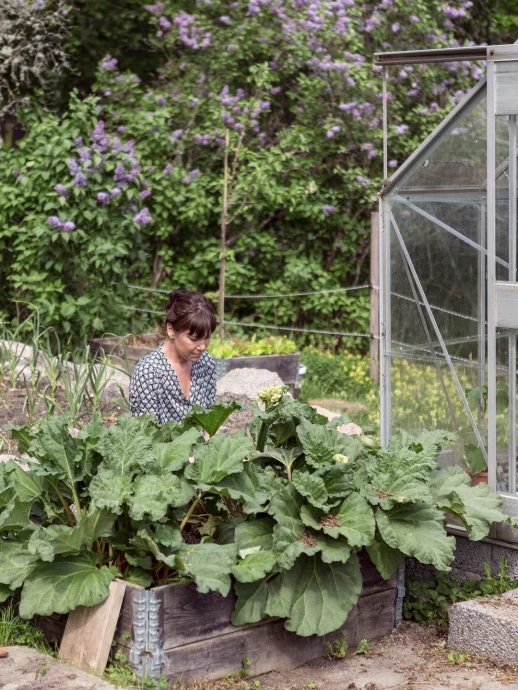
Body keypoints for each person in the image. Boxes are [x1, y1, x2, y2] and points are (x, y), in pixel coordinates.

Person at [129, 289, 217, 425]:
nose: (202, 347)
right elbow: (145, 434)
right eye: (194, 339)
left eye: (207, 338)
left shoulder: (206, 363)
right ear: (171, 330)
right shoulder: (148, 372)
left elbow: (210, 420)